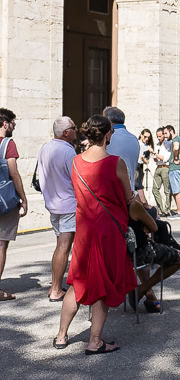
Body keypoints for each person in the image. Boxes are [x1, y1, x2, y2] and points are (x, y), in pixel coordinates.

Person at [52, 114, 141, 354]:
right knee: (102, 283)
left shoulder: (76, 162)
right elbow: (126, 196)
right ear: (108, 134)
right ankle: (95, 341)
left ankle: (61, 336)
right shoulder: (116, 163)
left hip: (84, 228)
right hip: (108, 230)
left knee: (77, 281)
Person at [36, 116, 78, 301]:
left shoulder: (45, 148)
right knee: (64, 246)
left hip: (53, 203)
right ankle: (55, 290)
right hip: (68, 204)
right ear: (66, 132)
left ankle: (56, 285)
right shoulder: (68, 151)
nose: (77, 130)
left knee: (61, 246)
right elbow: (76, 179)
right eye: (74, 128)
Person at [0, 108, 27, 300]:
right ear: (4, 123)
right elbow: (14, 173)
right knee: (1, 244)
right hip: (4, 203)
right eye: (12, 122)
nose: (14, 125)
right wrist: (23, 198)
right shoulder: (7, 144)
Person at [104, 107, 140, 191]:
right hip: (129, 190)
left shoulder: (108, 137)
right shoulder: (134, 139)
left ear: (108, 121)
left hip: (112, 192)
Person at [166, 124, 180, 219]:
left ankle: (179, 212)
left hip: (175, 168)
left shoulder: (176, 139)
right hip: (177, 168)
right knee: (173, 190)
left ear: (171, 131)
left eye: (166, 133)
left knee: (176, 190)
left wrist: (175, 157)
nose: (165, 136)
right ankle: (179, 210)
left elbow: (176, 148)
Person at [152, 128, 172, 218]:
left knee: (166, 190)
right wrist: (155, 156)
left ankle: (167, 209)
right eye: (157, 136)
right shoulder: (156, 145)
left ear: (164, 135)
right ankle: (160, 208)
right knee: (155, 189)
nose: (158, 138)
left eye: (160, 136)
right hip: (158, 166)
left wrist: (155, 154)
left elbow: (165, 158)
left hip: (165, 167)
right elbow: (155, 157)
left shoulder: (168, 144)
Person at [137, 129, 155, 202]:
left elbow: (147, 161)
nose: (146, 139)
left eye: (148, 137)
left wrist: (143, 158)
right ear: (141, 135)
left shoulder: (148, 146)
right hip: (134, 165)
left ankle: (141, 202)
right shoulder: (137, 143)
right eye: (145, 137)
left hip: (140, 166)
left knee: (139, 185)